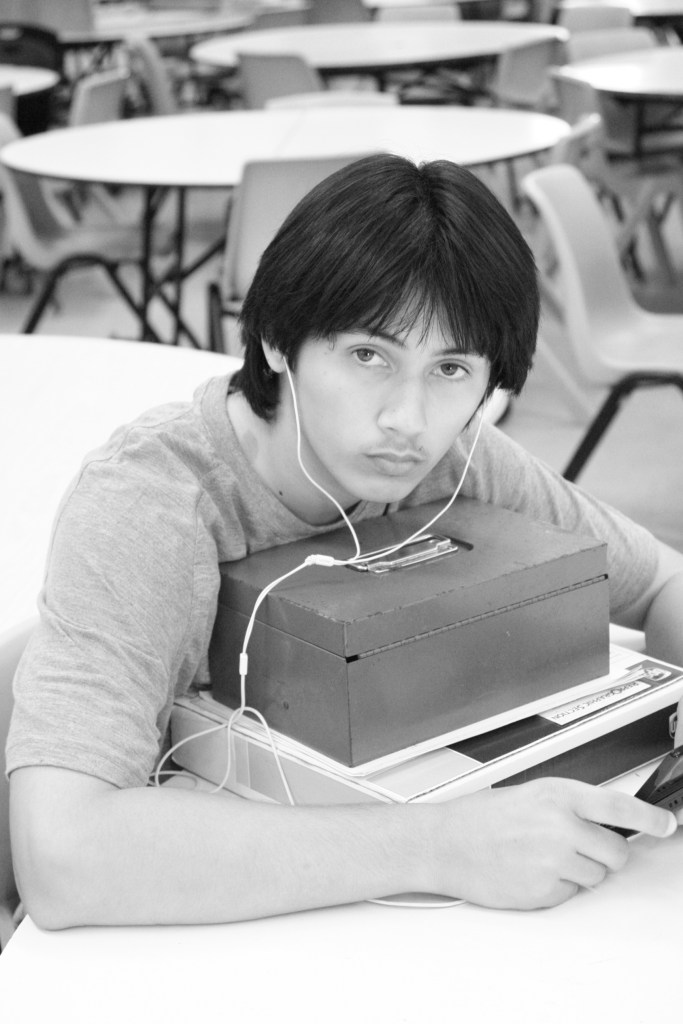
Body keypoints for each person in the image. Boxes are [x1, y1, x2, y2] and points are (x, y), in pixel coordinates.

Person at [7, 154, 683, 930]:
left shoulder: (458, 462)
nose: (407, 419)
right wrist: (440, 847)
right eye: (369, 356)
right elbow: (60, 854)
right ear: (276, 340)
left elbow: (662, 581)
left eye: (451, 369)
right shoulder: (151, 504)